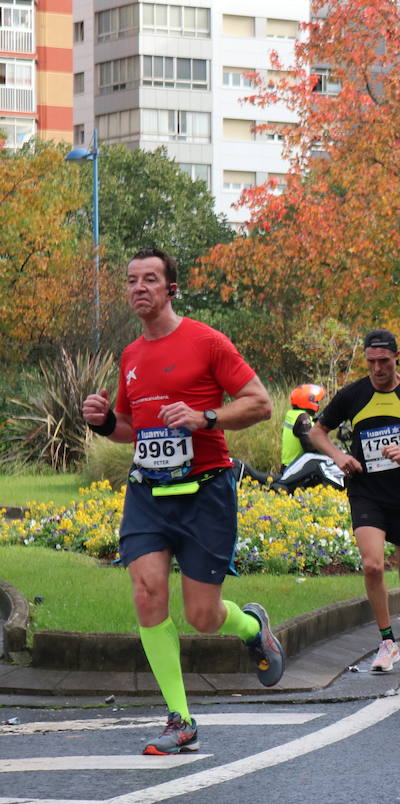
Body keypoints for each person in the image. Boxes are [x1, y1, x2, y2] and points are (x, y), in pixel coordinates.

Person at [82, 247, 282, 755]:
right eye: (132, 280)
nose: (139, 287)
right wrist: (103, 422)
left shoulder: (206, 342)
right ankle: (181, 718)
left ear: (171, 288)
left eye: (150, 279)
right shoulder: (130, 355)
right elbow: (131, 428)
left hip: (205, 492)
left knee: (202, 616)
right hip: (148, 493)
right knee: (147, 592)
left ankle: (251, 627)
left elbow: (260, 403)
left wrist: (205, 417)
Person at [310, 330, 400, 675]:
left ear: (396, 357)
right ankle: (387, 641)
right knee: (372, 565)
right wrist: (339, 456)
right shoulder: (354, 394)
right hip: (367, 491)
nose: (377, 368)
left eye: (384, 361)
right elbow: (316, 432)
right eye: (371, 362)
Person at [281, 384, 325, 472]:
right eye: (316, 401)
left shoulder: (291, 413)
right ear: (308, 401)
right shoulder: (303, 418)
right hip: (297, 468)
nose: (317, 404)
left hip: (287, 464)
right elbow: (310, 447)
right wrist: (328, 449)